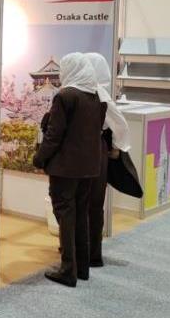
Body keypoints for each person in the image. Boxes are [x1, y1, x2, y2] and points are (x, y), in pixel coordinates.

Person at [33, 53, 105, 287]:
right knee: (80, 215)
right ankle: (82, 268)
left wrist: (39, 159)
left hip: (65, 169)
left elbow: (54, 135)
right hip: (89, 167)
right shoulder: (94, 96)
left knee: (65, 215)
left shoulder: (65, 97)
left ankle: (67, 269)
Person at [85, 52, 130, 268]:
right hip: (98, 150)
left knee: (90, 203)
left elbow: (120, 125)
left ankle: (90, 253)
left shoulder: (97, 93)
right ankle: (88, 251)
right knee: (92, 203)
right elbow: (120, 125)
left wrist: (119, 147)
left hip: (93, 151)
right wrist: (117, 148)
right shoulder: (98, 92)